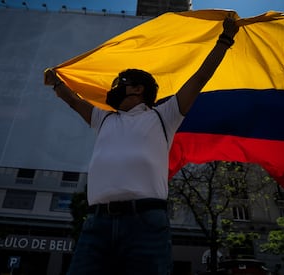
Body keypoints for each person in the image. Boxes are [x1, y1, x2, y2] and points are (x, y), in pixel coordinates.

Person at [44, 16, 238, 275]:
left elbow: (200, 77)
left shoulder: (163, 116)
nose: (114, 88)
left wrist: (225, 40)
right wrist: (56, 82)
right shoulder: (104, 118)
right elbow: (73, 101)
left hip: (145, 224)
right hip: (96, 224)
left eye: (121, 83)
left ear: (137, 89)